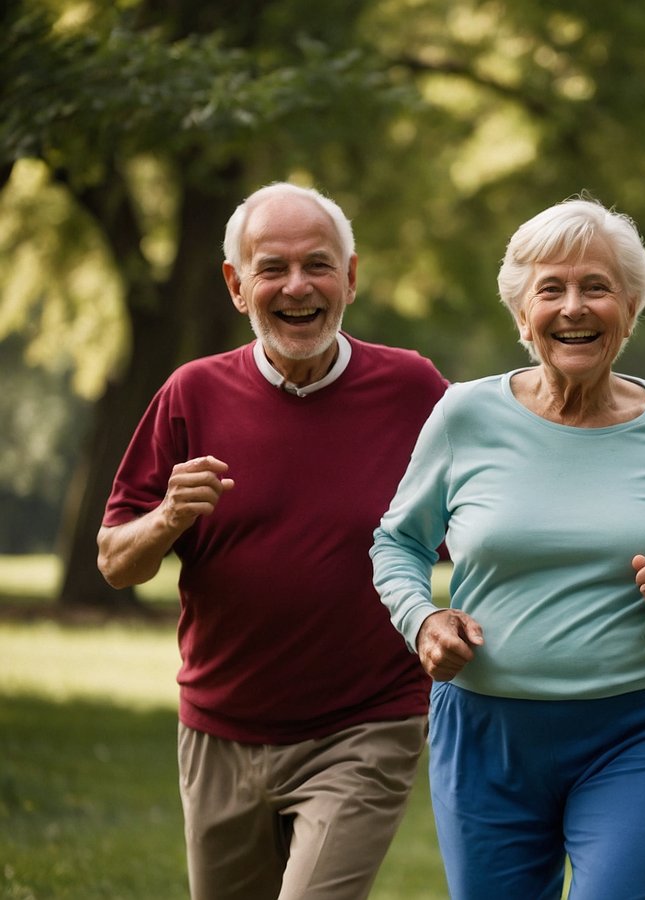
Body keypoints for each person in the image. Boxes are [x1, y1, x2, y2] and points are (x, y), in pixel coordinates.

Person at [371, 196, 645, 900]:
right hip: (487, 729)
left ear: (630, 310)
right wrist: (422, 620)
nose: (574, 307)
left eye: (597, 287)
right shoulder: (465, 415)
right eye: (553, 289)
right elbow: (398, 543)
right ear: (522, 313)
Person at [97, 182, 448, 900]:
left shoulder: (414, 390)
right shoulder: (191, 393)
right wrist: (167, 518)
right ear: (236, 285)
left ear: (350, 277)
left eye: (318, 265)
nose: (297, 287)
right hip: (219, 728)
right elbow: (112, 562)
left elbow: (492, 511)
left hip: (366, 724)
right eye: (271, 268)